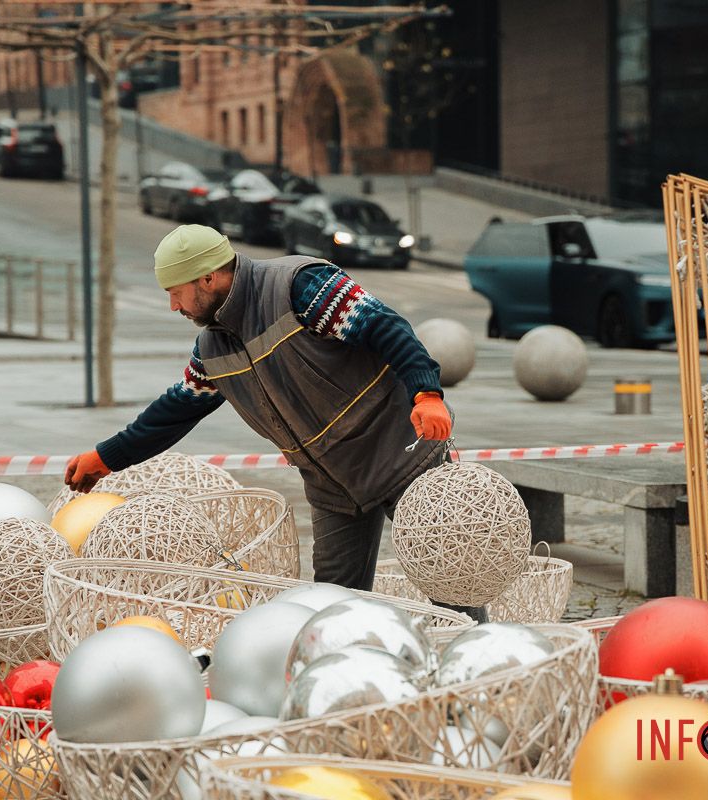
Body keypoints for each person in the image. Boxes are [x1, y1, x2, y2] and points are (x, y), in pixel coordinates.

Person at [65, 224, 484, 620]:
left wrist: (426, 393)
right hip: (334, 486)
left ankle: (488, 667)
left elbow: (386, 328)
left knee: (448, 581)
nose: (173, 306)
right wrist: (106, 457)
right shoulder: (213, 345)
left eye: (176, 293)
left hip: (399, 455)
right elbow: (176, 409)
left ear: (208, 279)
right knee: (333, 605)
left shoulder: (299, 287)